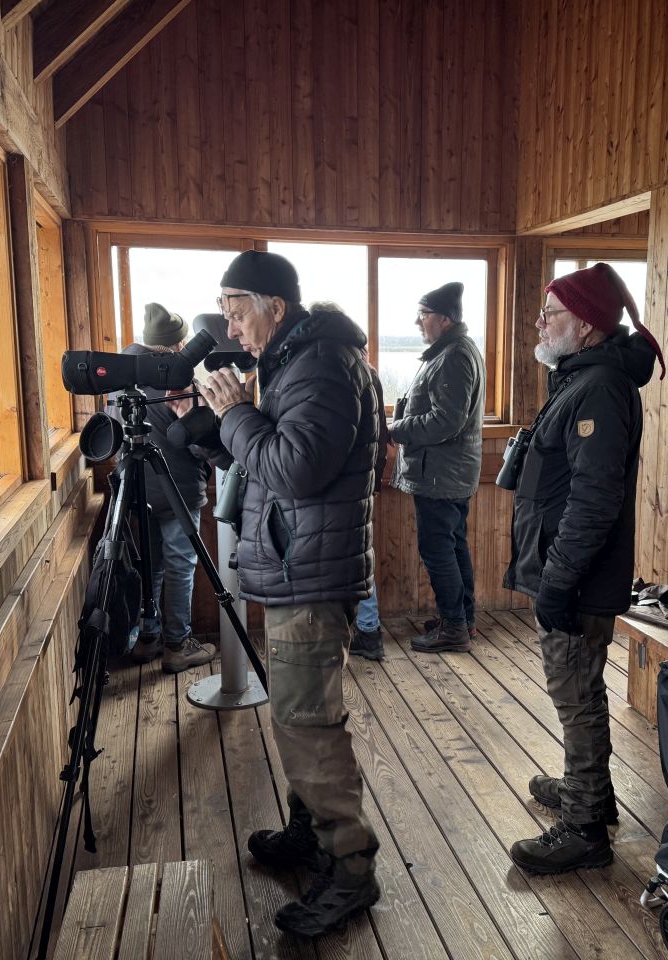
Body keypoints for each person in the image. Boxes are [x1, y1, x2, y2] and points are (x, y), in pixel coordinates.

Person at [194, 251, 381, 937]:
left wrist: (236, 414)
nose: (231, 329)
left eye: (237, 313)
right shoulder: (293, 360)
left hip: (310, 575)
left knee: (308, 723)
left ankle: (350, 869)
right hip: (298, 565)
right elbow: (267, 458)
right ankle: (310, 831)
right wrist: (219, 424)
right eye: (225, 315)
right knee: (299, 715)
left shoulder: (322, 365)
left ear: (274, 307)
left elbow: (297, 468)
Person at [503, 263, 664, 874]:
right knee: (575, 688)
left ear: (588, 326)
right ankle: (586, 789)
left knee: (577, 695)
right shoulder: (581, 379)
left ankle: (586, 826)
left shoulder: (597, 388)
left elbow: (594, 500)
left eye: (551, 314)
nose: (539, 324)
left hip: (578, 579)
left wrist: (559, 580)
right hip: (568, 571)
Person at [111, 303, 218, 674]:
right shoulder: (177, 380)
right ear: (177, 345)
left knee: (151, 565)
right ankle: (177, 644)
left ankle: (147, 636)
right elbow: (199, 441)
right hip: (178, 490)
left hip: (137, 490)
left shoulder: (121, 377)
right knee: (181, 565)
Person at [388, 282, 485, 654]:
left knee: (439, 550)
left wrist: (395, 429)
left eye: (423, 314)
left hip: (440, 476)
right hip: (448, 473)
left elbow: (445, 421)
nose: (418, 322)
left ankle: (455, 628)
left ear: (445, 319)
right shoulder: (453, 350)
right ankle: (461, 619)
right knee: (453, 546)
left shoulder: (453, 356)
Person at [350, 353, 391, 661]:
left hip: (346, 483)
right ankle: (367, 628)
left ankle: (368, 629)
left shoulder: (348, 374)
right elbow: (381, 432)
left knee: (355, 556)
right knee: (359, 554)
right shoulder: (370, 374)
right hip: (365, 478)